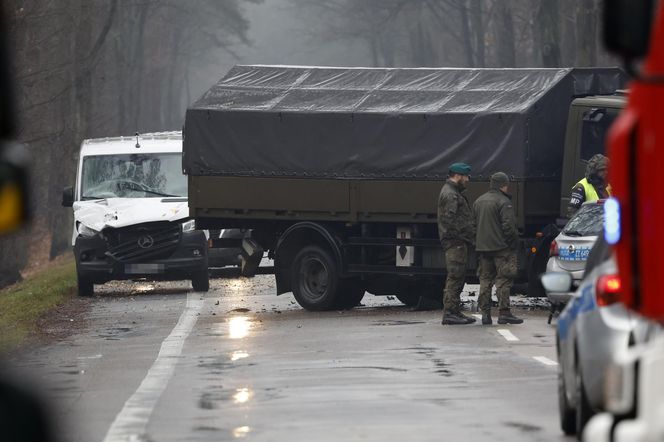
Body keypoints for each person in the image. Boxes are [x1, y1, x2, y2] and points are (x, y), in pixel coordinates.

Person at [473, 172, 523, 325]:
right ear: (503, 185)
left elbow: (473, 226)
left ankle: (485, 314)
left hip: (483, 248)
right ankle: (504, 312)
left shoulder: (478, 201)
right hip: (502, 248)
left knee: (485, 280)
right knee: (503, 280)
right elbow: (509, 226)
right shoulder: (504, 202)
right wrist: (514, 243)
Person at [438, 162, 476, 325]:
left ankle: (454, 311)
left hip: (458, 241)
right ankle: (450, 313)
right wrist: (467, 236)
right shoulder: (451, 194)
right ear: (458, 176)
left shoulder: (454, 192)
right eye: (466, 176)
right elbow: (450, 221)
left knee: (459, 276)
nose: (467, 179)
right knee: (455, 277)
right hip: (455, 242)